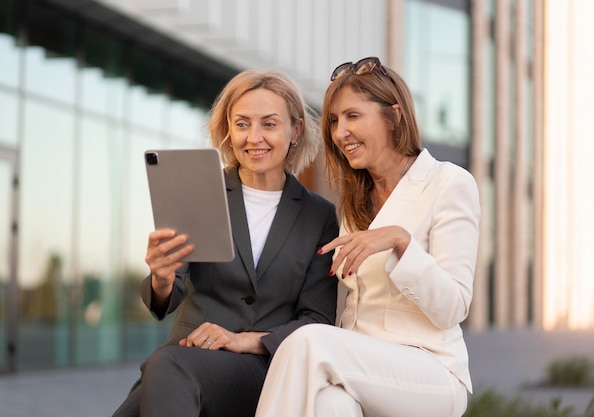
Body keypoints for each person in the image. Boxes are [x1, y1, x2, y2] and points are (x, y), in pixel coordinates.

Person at [254, 57, 481, 417]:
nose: (339, 132)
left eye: (352, 116)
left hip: (429, 372)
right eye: (333, 121)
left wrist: (400, 241)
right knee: (329, 405)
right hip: (358, 368)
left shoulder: (448, 183)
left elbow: (454, 307)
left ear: (394, 117)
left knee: (308, 343)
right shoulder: (352, 202)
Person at [112, 69, 339, 417]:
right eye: (242, 123)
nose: (254, 137)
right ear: (228, 131)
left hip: (263, 368)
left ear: (294, 131)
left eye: (269, 124)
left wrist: (245, 340)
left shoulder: (318, 215)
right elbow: (166, 298)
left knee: (164, 367)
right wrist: (160, 277)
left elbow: (317, 318)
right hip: (187, 360)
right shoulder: (201, 192)